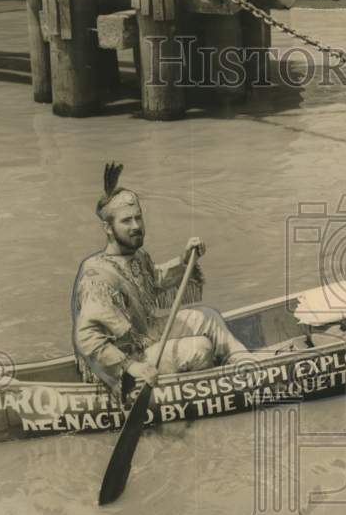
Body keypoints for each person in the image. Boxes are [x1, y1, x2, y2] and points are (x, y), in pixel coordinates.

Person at [72, 163, 248, 390]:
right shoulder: (97, 278)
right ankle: (218, 387)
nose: (136, 226)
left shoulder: (135, 256)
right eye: (126, 221)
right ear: (107, 227)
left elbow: (154, 280)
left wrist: (185, 261)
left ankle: (246, 365)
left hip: (142, 336)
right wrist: (130, 366)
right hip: (118, 366)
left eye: (138, 217)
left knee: (207, 317)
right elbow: (88, 339)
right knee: (201, 348)